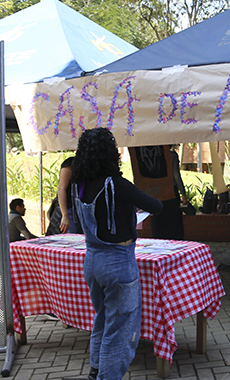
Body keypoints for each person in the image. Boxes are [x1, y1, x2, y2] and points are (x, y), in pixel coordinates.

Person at [71, 128, 163, 380]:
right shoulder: (117, 185)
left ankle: (95, 371)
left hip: (92, 261)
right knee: (120, 329)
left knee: (102, 319)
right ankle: (107, 376)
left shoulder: (79, 185)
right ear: (110, 153)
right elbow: (156, 206)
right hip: (118, 263)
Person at [58, 155, 82, 234]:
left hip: (84, 210)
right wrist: (65, 215)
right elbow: (61, 189)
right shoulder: (70, 164)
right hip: (71, 210)